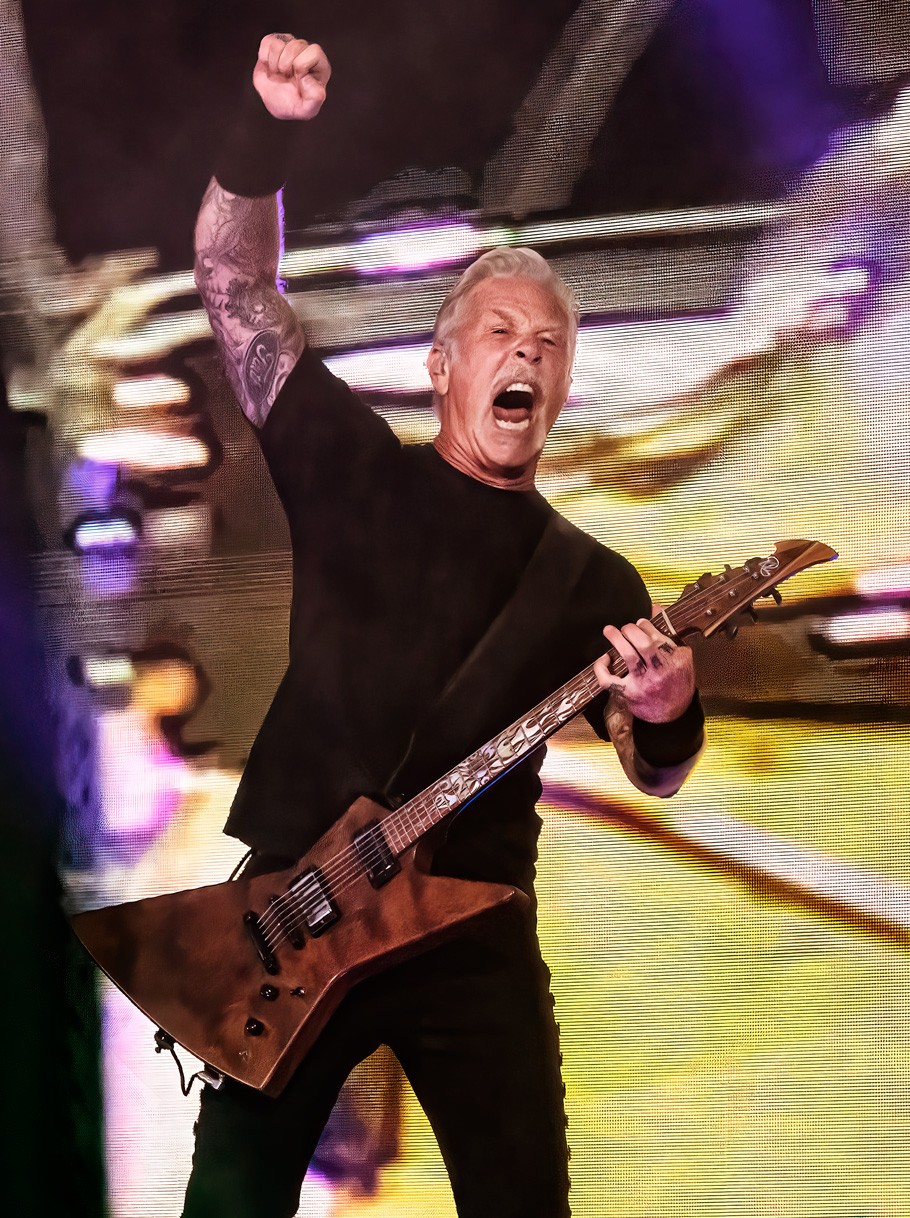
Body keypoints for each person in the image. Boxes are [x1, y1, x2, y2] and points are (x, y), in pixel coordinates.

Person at [186, 32, 705, 1218]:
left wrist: (670, 708)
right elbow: (232, 283)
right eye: (499, 334)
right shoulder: (353, 470)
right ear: (439, 366)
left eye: (547, 346)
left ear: (560, 388)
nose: (525, 353)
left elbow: (655, 768)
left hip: (471, 929)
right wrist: (266, 128)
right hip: (297, 913)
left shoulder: (591, 577)